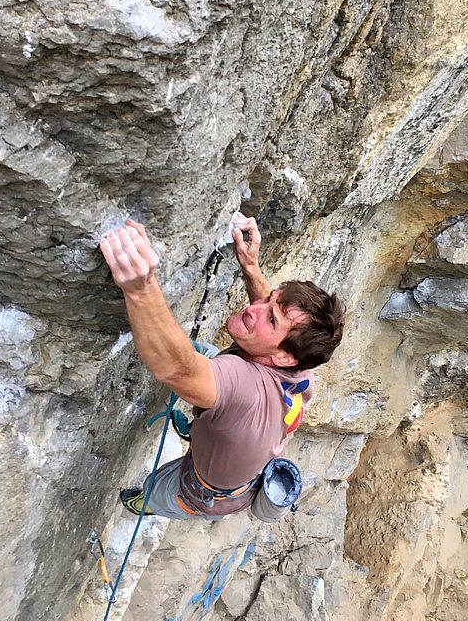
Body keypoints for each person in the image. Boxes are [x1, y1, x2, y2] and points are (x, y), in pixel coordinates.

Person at [100, 215, 345, 521]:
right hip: (242, 450)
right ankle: (209, 425)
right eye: (269, 300)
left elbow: (178, 370)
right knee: (206, 355)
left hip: (199, 490)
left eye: (270, 319)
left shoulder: (244, 387)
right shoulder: (301, 366)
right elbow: (278, 326)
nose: (253, 309)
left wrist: (141, 289)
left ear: (285, 358)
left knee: (157, 490)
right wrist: (250, 265)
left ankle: (145, 504)